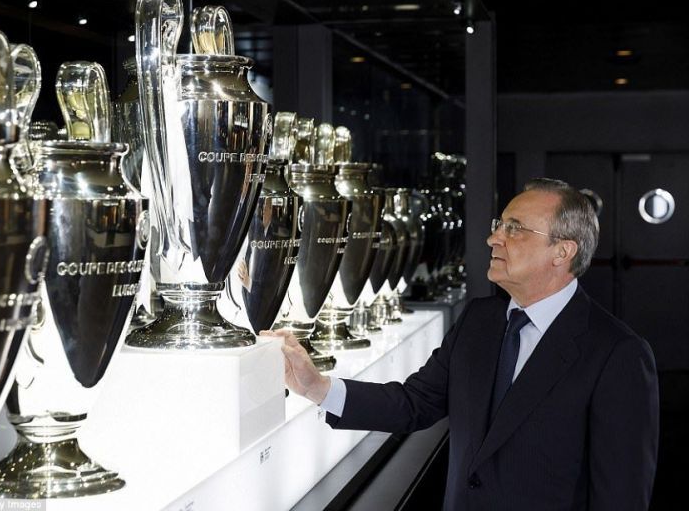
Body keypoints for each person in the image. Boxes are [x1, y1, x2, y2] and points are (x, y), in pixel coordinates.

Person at [265, 178, 659, 510]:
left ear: (563, 251)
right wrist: (317, 388)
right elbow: (414, 404)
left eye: (514, 229)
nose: (493, 238)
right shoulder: (479, 321)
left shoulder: (618, 354)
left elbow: (620, 499)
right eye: (499, 225)